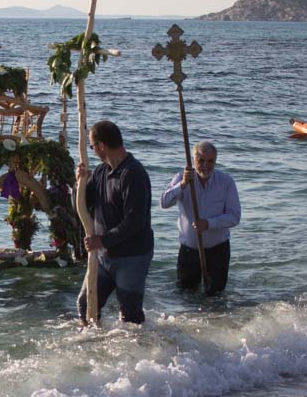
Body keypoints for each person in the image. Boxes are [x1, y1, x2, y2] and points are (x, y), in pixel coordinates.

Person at [75, 120, 154, 325]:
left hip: (132, 256)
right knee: (86, 304)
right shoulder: (101, 171)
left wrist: (102, 240)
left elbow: (135, 221)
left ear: (101, 145)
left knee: (130, 314)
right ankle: (95, 341)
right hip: (104, 256)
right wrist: (80, 183)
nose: (92, 150)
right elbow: (84, 204)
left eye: (92, 146)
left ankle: (141, 345)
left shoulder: (133, 174)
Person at [160, 141, 241, 294]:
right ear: (193, 160)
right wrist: (182, 184)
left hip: (218, 251)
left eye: (210, 161)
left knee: (215, 297)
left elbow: (234, 217)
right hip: (189, 251)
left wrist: (209, 223)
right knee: (185, 296)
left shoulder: (226, 182)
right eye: (201, 160)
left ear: (215, 161)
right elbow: (164, 203)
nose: (205, 165)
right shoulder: (181, 177)